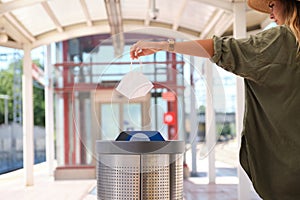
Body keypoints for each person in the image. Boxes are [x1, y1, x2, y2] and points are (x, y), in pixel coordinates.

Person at [130, 0, 300, 199]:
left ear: (290, 4)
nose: (271, 15)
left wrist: (163, 45)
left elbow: (219, 48)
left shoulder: (282, 41)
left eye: (272, 5)